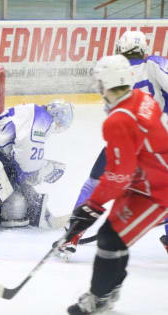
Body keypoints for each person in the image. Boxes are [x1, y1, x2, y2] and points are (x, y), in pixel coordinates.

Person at [65, 55, 168, 315]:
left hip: (158, 189)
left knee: (112, 238)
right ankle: (105, 293)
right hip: (146, 181)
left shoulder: (118, 120)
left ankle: (99, 299)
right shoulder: (144, 100)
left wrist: (93, 205)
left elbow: (118, 174)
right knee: (112, 236)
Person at [57, 30, 168, 258]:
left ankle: (72, 235)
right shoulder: (155, 63)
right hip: (155, 142)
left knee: (94, 184)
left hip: (123, 138)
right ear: (144, 49)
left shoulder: (114, 73)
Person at [0, 99, 74, 230]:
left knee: (17, 203)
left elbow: (19, 163)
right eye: (60, 125)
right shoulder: (42, 119)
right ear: (58, 120)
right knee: (16, 206)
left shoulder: (32, 111)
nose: (57, 128)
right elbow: (28, 167)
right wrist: (45, 170)